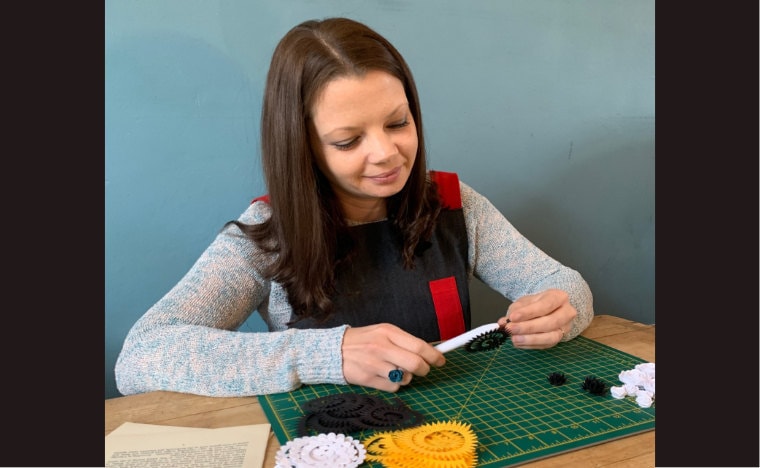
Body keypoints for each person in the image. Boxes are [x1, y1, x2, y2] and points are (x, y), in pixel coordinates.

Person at [114, 17, 594, 397]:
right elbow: (140, 356)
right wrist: (329, 354)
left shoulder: (452, 204)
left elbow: (565, 287)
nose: (386, 153)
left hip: (461, 433)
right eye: (347, 141)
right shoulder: (265, 236)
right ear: (303, 147)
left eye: (398, 123)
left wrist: (560, 311)